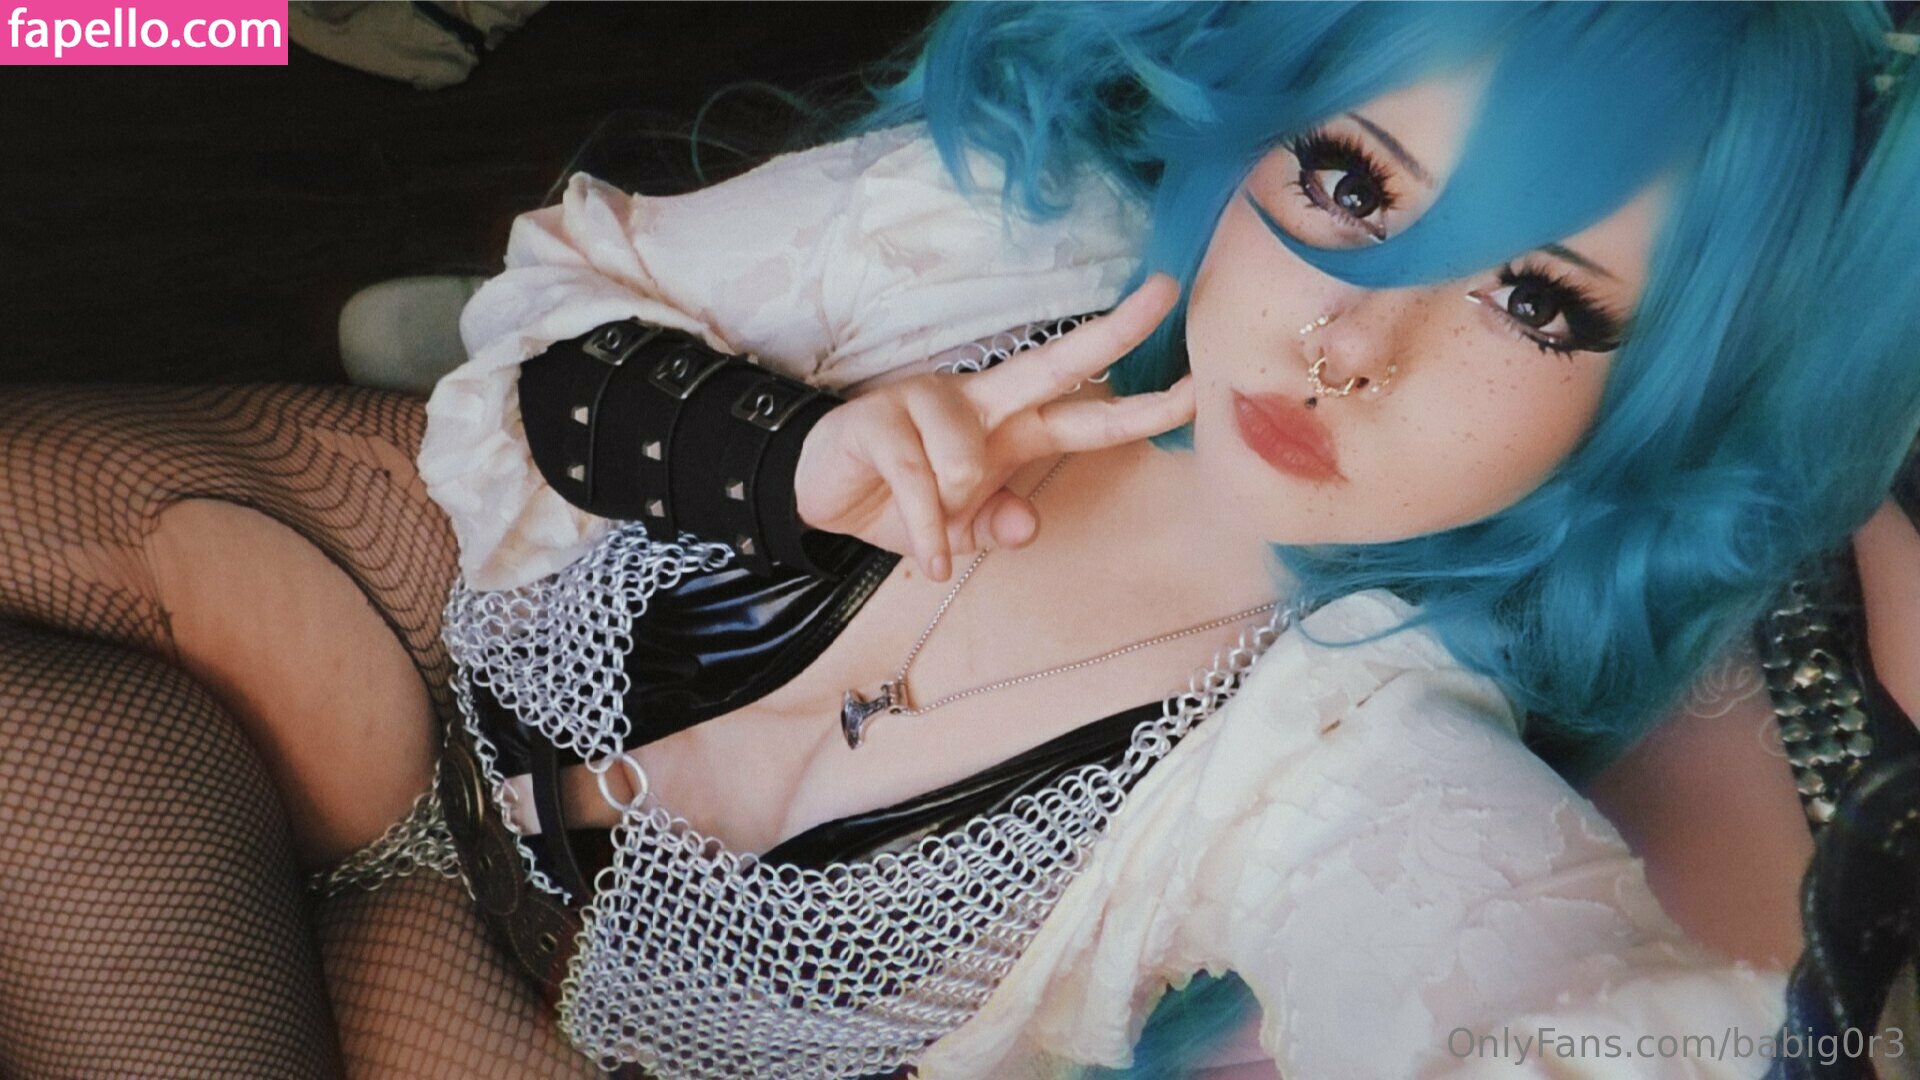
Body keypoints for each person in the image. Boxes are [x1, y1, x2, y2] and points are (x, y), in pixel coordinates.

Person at [0, 4, 1915, 1079]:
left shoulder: (1358, 762)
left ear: (1662, 395)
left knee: (68, 746)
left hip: (512, 1021)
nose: (1352, 338)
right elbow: (561, 304)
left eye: (1535, 302)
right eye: (1351, 182)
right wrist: (788, 450)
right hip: (427, 615)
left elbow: (1538, 1005)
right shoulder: (1004, 237)